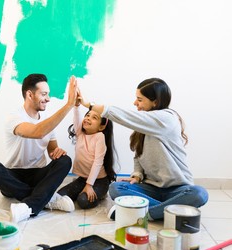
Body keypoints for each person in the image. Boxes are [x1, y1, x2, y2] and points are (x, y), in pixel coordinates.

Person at [77, 78, 209, 220]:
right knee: (116, 188)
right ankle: (170, 211)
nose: (135, 103)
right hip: (151, 188)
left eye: (139, 99)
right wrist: (137, 175)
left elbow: (124, 116)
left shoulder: (167, 119)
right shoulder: (142, 127)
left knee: (199, 194)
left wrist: (89, 105)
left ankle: (147, 214)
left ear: (155, 102)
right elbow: (138, 156)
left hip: (177, 189)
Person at [0, 74, 78, 223]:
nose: (48, 98)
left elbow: (53, 151)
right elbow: (37, 132)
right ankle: (46, 199)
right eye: (44, 94)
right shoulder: (14, 117)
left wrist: (57, 153)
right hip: (14, 175)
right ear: (29, 94)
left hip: (38, 175)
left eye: (48, 94)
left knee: (65, 161)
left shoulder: (47, 120)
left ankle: (29, 205)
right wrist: (68, 105)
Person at [57, 101, 117, 209]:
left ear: (101, 127)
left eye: (94, 118)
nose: (88, 118)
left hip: (99, 181)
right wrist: (76, 106)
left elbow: (98, 162)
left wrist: (89, 185)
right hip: (83, 178)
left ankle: (102, 192)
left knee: (83, 201)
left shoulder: (99, 137)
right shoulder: (80, 133)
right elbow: (77, 119)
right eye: (88, 115)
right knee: (59, 196)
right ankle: (83, 188)